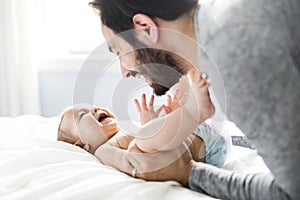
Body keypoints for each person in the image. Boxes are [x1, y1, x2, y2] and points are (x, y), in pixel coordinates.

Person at [88, 0, 300, 199]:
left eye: (118, 51)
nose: (124, 71)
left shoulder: (231, 52)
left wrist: (188, 173)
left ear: (145, 27)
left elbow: (292, 192)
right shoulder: (224, 22)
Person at [58, 69, 227, 168]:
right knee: (142, 143)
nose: (95, 108)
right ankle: (192, 112)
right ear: (82, 145)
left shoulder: (124, 129)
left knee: (151, 129)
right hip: (201, 151)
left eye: (92, 106)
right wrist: (148, 132)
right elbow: (132, 162)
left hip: (199, 136)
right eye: (83, 114)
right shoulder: (103, 151)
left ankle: (186, 112)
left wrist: (157, 122)